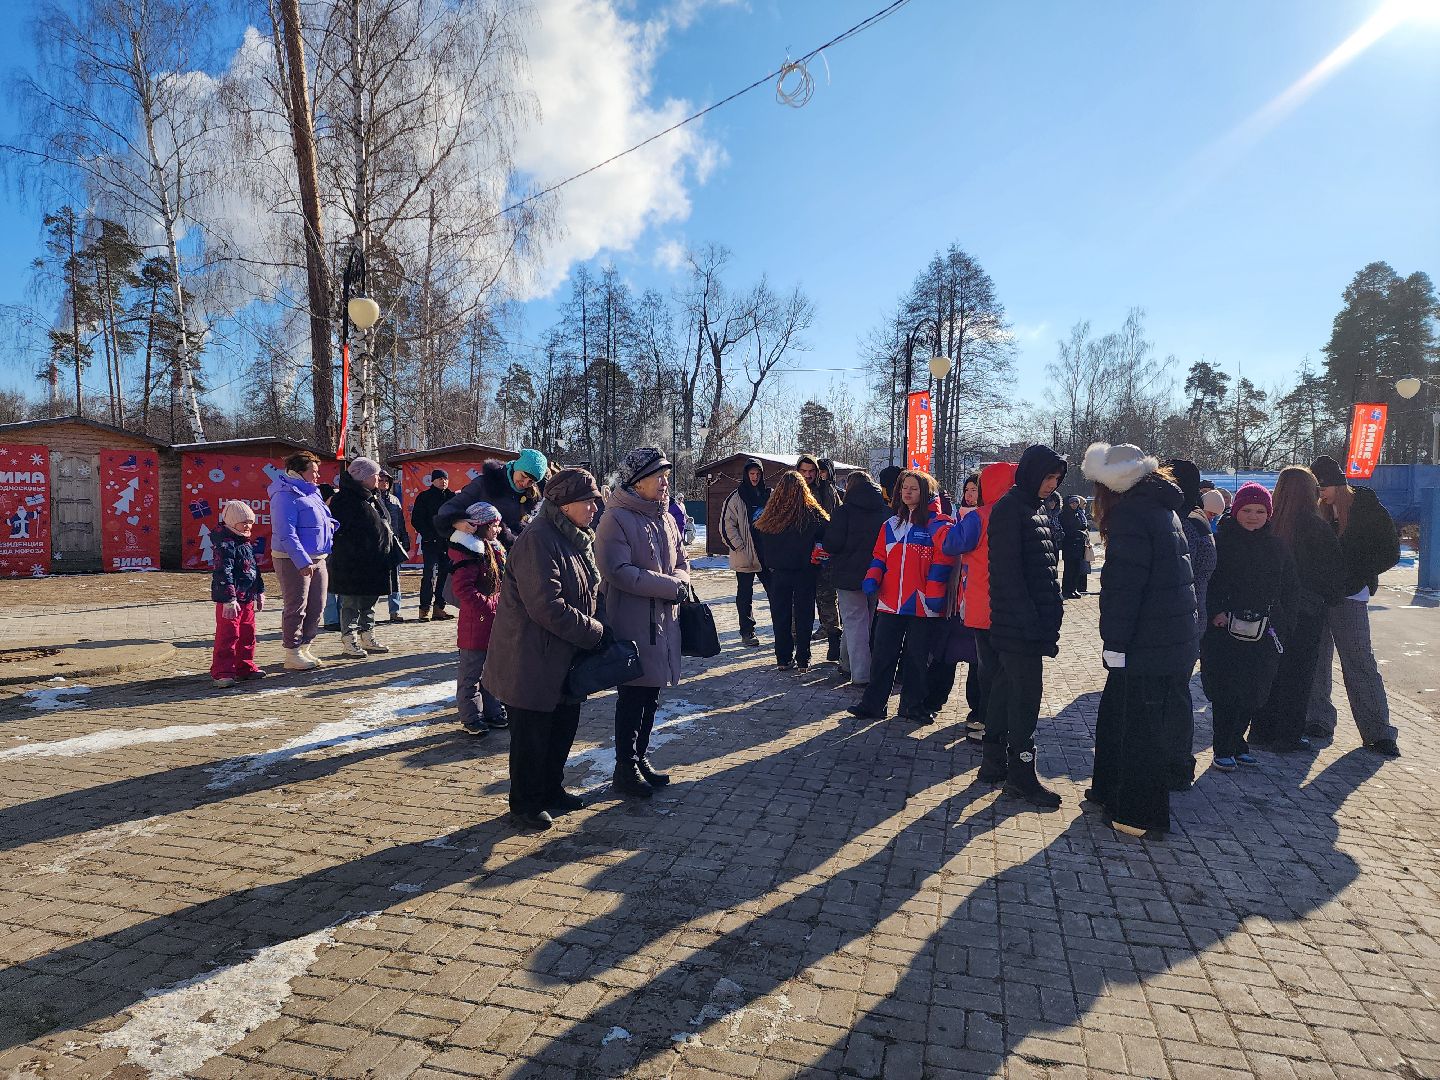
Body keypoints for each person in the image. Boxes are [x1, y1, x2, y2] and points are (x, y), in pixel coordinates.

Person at [1081, 444, 1197, 839]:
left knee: (1141, 728)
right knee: (1120, 714)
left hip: (1148, 640)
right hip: (1166, 635)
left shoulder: (1132, 514)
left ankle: (1139, 813)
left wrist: (1114, 642)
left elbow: (1124, 588)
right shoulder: (1161, 508)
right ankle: (1108, 790)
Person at [483, 468, 605, 830]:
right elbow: (546, 607)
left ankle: (551, 789)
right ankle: (525, 803)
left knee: (561, 730)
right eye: (588, 501)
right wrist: (595, 631)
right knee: (532, 738)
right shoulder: (540, 538)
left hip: (562, 657)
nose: (594, 508)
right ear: (564, 505)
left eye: (596, 501)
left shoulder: (573, 536)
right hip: (530, 658)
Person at [596, 447, 691, 798]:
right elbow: (617, 571)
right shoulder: (615, 517)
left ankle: (639, 757)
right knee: (633, 696)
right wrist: (671, 587)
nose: (665, 483)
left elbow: (682, 559)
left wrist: (682, 580)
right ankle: (624, 767)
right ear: (637, 482)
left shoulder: (666, 516)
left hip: (663, 621)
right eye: (658, 476)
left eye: (666, 476)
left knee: (651, 695)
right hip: (633, 623)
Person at [984, 444, 1068, 807]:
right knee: (1024, 697)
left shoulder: (1034, 508)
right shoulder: (1011, 508)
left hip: (1026, 622)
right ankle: (1020, 775)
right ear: (1032, 474)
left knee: (1006, 689)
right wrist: (1030, 620)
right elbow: (1007, 573)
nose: (1052, 484)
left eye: (1056, 478)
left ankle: (993, 764)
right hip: (1018, 624)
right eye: (1048, 476)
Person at [1304, 455, 1402, 756]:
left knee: (1358, 661)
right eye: (1316, 487)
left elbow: (1390, 551)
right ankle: (1318, 720)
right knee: (1317, 661)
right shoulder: (1316, 510)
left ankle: (1378, 731)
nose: (1320, 493)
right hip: (1320, 595)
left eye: (1323, 486)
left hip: (1350, 595)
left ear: (1337, 483)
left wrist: (1358, 575)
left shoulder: (1365, 506)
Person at [1200, 482, 1298, 771]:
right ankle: (1223, 746)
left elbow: (1290, 588)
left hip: (1264, 631)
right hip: (1225, 631)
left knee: (1254, 692)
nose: (1253, 516)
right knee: (1226, 690)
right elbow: (1207, 582)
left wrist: (1284, 623)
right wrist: (1215, 611)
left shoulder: (1278, 546)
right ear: (1236, 511)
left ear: (1269, 513)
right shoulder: (1220, 542)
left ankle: (1238, 741)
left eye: (1259, 510)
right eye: (1246, 510)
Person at [847, 469, 954, 723]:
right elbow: (879, 557)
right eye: (904, 487)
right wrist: (872, 577)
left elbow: (943, 561)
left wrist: (936, 593)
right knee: (883, 656)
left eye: (914, 488)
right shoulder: (891, 524)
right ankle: (873, 704)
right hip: (890, 603)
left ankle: (912, 706)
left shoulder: (937, 525)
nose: (907, 492)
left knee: (916, 659)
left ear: (926, 492)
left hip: (922, 605)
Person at [1250, 467, 1345, 752]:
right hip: (1306, 612)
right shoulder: (1317, 528)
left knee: (1268, 670)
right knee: (1299, 674)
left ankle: (1260, 729)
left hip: (1268, 610)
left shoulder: (1267, 525)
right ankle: (1288, 734)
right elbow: (1334, 576)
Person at [942, 462, 1016, 748]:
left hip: (982, 603)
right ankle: (1000, 724)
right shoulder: (1025, 513)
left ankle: (986, 722)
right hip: (1013, 607)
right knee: (1006, 670)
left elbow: (951, 545)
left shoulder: (980, 517)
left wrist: (942, 527)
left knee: (988, 669)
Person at [1160, 458, 1215, 790]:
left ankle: (1177, 764)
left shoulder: (1184, 524)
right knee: (1177, 694)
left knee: (1174, 696)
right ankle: (1178, 762)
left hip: (1180, 620)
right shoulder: (1198, 520)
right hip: (1194, 619)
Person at [753, 471, 829, 671]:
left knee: (780, 615)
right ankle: (803, 658)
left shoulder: (771, 514)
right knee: (804, 615)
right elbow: (827, 530)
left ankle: (783, 657)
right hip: (806, 570)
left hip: (778, 571)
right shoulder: (811, 512)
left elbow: (759, 537)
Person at [268, 451, 336, 671]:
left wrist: (332, 528)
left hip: (318, 557)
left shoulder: (312, 492)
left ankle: (305, 646)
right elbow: (285, 532)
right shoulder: (284, 495)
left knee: (318, 605)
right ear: (298, 472)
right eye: (313, 471)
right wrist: (301, 561)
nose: (317, 476)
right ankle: (292, 651)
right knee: (297, 606)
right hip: (292, 559)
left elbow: (320, 520)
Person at [919, 475, 981, 716]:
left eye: (974, 490)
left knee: (978, 660)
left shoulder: (986, 518)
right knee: (944, 654)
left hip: (974, 600)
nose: (969, 494)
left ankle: (978, 710)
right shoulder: (954, 517)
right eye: (967, 489)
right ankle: (933, 701)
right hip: (953, 598)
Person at [823, 470, 891, 688]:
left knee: (854, 623)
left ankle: (861, 674)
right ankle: (846, 663)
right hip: (877, 574)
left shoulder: (844, 512)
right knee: (865, 622)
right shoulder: (886, 512)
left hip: (847, 576)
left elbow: (831, 544)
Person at [329, 457, 399, 659]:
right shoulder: (345, 499)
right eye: (375, 474)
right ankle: (348, 640)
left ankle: (367, 636)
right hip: (353, 562)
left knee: (369, 601)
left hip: (374, 561)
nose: (379, 478)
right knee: (350, 602)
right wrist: (360, 549)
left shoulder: (372, 497)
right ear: (363, 477)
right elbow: (342, 532)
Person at [449, 501, 509, 735]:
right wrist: (486, 605)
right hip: (476, 622)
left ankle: (493, 711)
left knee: (493, 670)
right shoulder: (470, 552)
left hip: (495, 619)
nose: (498, 529)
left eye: (498, 524)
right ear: (480, 525)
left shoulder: (495, 548)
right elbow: (463, 588)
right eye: (493, 525)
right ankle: (471, 716)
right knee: (471, 673)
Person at [436, 448, 548, 548]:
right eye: (523, 476)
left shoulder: (530, 496)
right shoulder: (485, 484)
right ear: (516, 467)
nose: (524, 483)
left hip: (511, 556)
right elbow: (448, 508)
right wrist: (456, 521)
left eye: (531, 482)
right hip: (478, 554)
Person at [210, 501, 266, 688]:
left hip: (247, 597)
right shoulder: (225, 544)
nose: (248, 526)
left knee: (248, 633)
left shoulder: (245, 542)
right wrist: (229, 598)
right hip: (231, 600)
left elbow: (254, 569)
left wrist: (259, 590)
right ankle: (223, 671)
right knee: (228, 635)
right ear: (232, 522)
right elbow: (223, 571)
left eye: (250, 522)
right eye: (244, 522)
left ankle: (245, 667)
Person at [719, 458, 771, 647]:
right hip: (746, 554)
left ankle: (783, 630)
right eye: (751, 474)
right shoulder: (736, 497)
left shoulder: (768, 494)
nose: (755, 477)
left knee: (775, 592)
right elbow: (727, 525)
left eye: (758, 474)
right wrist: (739, 546)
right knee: (745, 596)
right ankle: (747, 632)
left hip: (767, 553)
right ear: (746, 474)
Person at [798, 454, 843, 660]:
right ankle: (798, 646)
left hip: (825, 552)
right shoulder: (792, 490)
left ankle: (834, 640)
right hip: (799, 554)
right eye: (804, 471)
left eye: (811, 471)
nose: (807, 475)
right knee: (799, 602)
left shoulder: (827, 490)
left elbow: (836, 520)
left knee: (826, 599)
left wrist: (829, 546)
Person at [411, 469, 454, 622]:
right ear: (433, 481)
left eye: (445, 478)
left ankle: (439, 608)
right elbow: (416, 519)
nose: (443, 481)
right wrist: (429, 534)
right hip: (430, 542)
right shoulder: (424, 497)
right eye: (440, 479)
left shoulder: (452, 497)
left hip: (448, 543)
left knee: (445, 574)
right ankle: (424, 609)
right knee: (429, 574)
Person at [376, 471, 410, 623]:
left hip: (393, 542)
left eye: (387, 481)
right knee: (373, 578)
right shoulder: (371, 499)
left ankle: (394, 611)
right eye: (381, 480)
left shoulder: (395, 500)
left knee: (395, 578)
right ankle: (368, 612)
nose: (384, 483)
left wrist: (404, 538)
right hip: (376, 544)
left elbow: (401, 522)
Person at [1059, 495, 1090, 599]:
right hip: (1069, 545)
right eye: (1072, 503)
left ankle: (1074, 588)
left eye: (1076, 503)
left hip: (1079, 545)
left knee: (1077, 569)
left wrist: (1084, 530)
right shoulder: (1064, 515)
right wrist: (1078, 533)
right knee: (1069, 569)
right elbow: (1067, 530)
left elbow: (1083, 525)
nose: (1074, 505)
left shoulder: (1079, 514)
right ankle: (1067, 590)